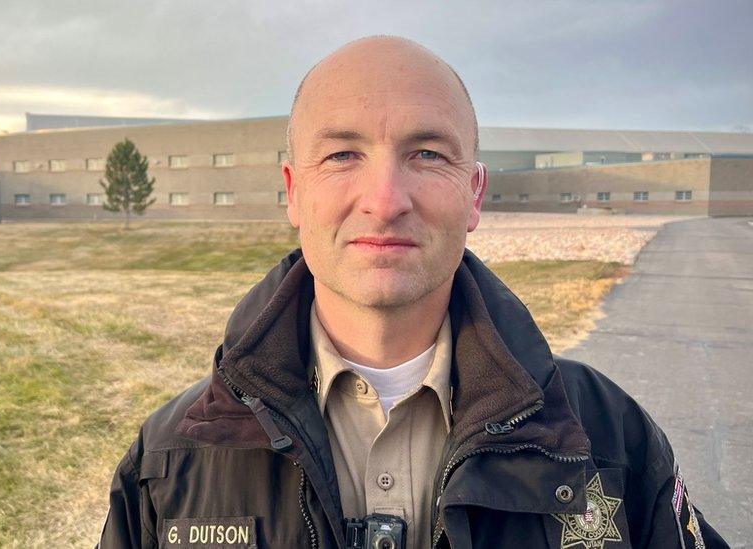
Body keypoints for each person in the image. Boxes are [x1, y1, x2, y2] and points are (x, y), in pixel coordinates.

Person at [96, 36, 726, 548]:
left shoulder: (609, 440)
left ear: (474, 193)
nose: (385, 201)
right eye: (343, 155)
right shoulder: (172, 460)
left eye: (426, 154)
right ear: (292, 190)